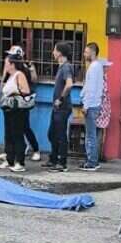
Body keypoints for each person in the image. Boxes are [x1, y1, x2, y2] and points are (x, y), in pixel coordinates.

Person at [0, 49, 33, 173]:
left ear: (12, 64)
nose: (5, 66)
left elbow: (26, 91)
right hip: (8, 109)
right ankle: (10, 159)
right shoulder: (10, 76)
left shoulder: (19, 75)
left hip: (17, 109)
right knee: (9, 135)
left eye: (6, 63)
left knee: (17, 134)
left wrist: (15, 92)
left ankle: (20, 162)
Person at [44, 42, 74, 172]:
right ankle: (53, 159)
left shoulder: (66, 67)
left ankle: (62, 163)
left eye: (55, 50)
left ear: (60, 53)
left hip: (62, 107)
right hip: (57, 108)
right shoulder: (61, 67)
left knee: (60, 135)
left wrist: (60, 99)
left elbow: (69, 84)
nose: (53, 52)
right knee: (52, 134)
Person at [80, 42, 108, 171]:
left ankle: (92, 162)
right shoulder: (97, 66)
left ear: (92, 52)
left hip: (91, 105)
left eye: (86, 52)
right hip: (94, 104)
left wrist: (86, 105)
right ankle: (91, 160)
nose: (84, 54)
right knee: (91, 134)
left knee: (90, 135)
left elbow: (90, 88)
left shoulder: (94, 67)